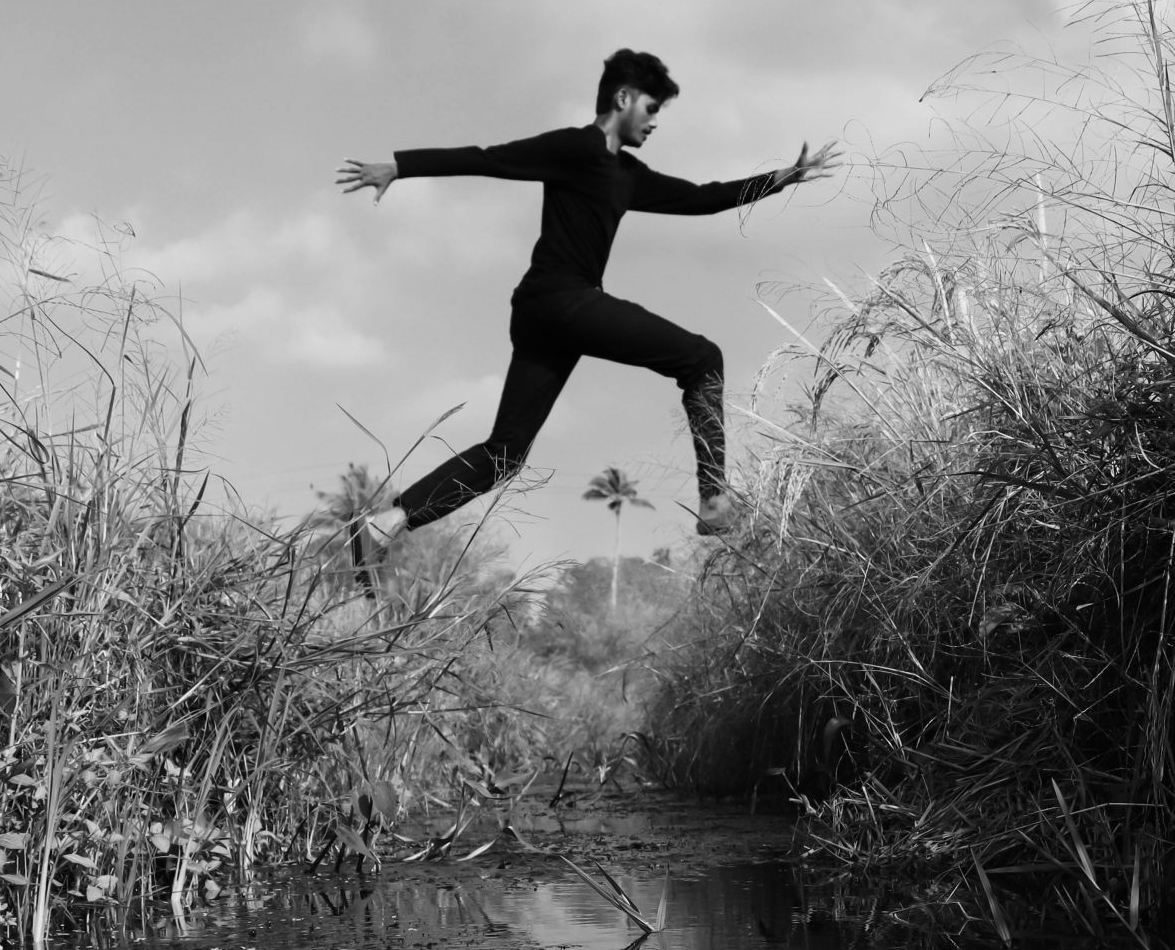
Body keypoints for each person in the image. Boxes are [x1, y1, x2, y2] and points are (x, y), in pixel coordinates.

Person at [334, 48, 838, 581]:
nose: (655, 121)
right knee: (702, 358)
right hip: (561, 299)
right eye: (651, 108)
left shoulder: (627, 174)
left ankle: (382, 527)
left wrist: (783, 177)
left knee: (504, 455)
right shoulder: (574, 147)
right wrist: (400, 166)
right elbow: (488, 158)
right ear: (622, 98)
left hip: (544, 312)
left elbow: (699, 198)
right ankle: (714, 499)